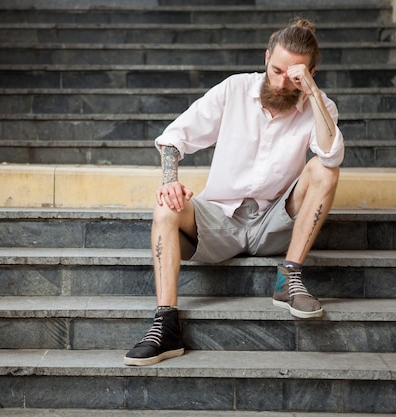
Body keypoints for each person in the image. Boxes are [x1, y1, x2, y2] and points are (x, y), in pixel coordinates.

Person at [124, 18, 344, 367]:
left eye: (295, 75)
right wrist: (170, 181)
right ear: (266, 57)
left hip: (274, 223)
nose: (283, 82)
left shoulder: (318, 106)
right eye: (276, 70)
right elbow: (174, 137)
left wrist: (312, 92)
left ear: (312, 72)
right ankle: (165, 325)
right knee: (166, 207)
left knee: (324, 170)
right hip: (219, 222)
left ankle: (289, 278)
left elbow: (331, 154)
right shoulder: (234, 90)